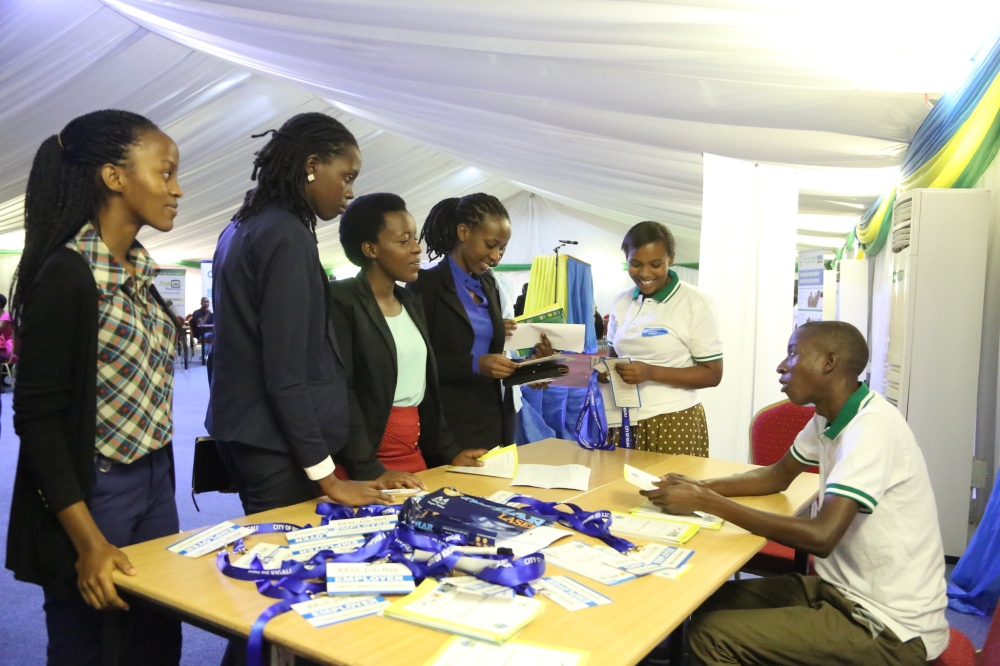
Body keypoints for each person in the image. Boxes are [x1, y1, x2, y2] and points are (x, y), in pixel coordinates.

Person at [643, 321, 949, 664]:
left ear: (828, 362)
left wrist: (708, 503)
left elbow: (822, 536)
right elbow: (777, 476)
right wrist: (699, 487)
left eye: (793, 353)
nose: (782, 365)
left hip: (890, 628)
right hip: (839, 592)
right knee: (697, 601)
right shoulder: (830, 416)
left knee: (711, 634)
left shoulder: (871, 429)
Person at [6, 110, 185, 665]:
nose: (177, 189)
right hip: (96, 492)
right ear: (114, 177)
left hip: (155, 479)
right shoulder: (66, 276)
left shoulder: (138, 273)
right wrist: (88, 543)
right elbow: (37, 420)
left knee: (157, 640)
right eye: (166, 172)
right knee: (96, 647)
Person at [207, 112, 391, 516]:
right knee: (284, 564)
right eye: (346, 176)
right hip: (275, 443)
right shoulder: (286, 234)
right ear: (311, 167)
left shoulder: (243, 225)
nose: (350, 191)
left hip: (247, 433)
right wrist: (329, 480)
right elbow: (286, 371)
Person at [329, 193, 490, 480]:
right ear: (370, 249)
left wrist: (450, 450)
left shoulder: (410, 302)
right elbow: (342, 392)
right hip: (363, 461)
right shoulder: (341, 301)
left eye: (415, 238)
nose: (417, 249)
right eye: (404, 241)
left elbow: (426, 389)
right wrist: (370, 468)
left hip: (413, 454)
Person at [601, 221, 723, 456]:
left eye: (655, 264)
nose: (645, 274)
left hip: (672, 420)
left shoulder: (695, 302)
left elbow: (713, 373)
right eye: (635, 264)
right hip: (622, 419)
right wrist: (603, 373)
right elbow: (612, 360)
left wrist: (650, 372)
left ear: (671, 258)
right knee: (619, 491)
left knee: (671, 491)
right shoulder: (621, 301)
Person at [409, 193, 521, 448]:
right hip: (449, 420)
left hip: (495, 414)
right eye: (490, 245)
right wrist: (474, 365)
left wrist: (531, 365)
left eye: (502, 249)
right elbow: (419, 364)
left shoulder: (489, 284)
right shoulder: (426, 286)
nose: (496, 257)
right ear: (463, 232)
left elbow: (494, 352)